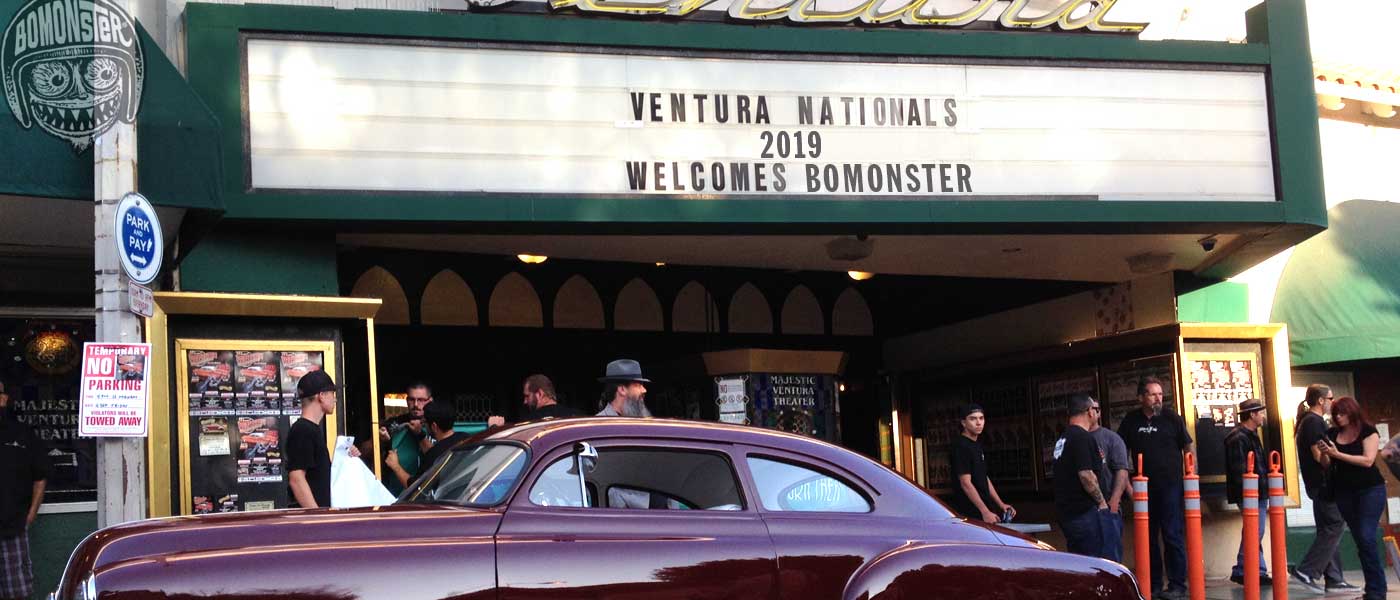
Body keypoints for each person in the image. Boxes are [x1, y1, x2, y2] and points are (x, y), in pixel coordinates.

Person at [1116, 377, 1192, 600]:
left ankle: (1177, 585)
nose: (1158, 398)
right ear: (1141, 397)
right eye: (1152, 394)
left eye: (1160, 394)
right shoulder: (1131, 420)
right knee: (1147, 538)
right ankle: (1154, 584)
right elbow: (1120, 452)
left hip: (1170, 486)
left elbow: (1187, 446)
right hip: (1142, 489)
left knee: (1172, 535)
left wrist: (1190, 474)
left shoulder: (1172, 418)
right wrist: (1127, 484)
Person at [1317, 397, 1387, 600]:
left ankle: (1377, 591)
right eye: (1335, 413)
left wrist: (1336, 454)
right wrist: (1325, 453)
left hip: (1370, 490)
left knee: (1366, 536)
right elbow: (1327, 464)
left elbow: (1368, 461)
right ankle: (1372, 590)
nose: (1338, 417)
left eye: (1342, 413)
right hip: (1344, 491)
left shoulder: (1368, 431)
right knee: (1361, 541)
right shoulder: (1332, 433)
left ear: (1352, 411)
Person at [1290, 384, 1356, 594]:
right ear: (1320, 401)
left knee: (1329, 529)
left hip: (1318, 485)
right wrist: (1339, 459)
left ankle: (1334, 578)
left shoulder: (1309, 422)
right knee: (1334, 526)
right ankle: (1307, 570)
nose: (1332, 402)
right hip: (1324, 484)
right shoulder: (1314, 423)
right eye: (1330, 398)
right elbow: (1320, 456)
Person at [0, 381, 48, 600]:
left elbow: (40, 476)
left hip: (13, 529)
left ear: (4, 398)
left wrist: (30, 515)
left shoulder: (22, 433)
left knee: (17, 593)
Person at [286, 370, 356, 508]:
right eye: (332, 394)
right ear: (322, 396)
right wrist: (317, 517)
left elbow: (318, 477)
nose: (335, 399)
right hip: (313, 524)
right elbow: (296, 479)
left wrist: (345, 458)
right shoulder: (303, 430)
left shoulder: (311, 429)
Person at [1054, 394, 1108, 557]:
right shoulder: (1082, 437)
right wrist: (1101, 502)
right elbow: (1086, 475)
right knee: (1093, 564)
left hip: (1067, 514)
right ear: (1089, 411)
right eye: (1095, 409)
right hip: (1083, 514)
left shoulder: (1063, 438)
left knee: (1079, 563)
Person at [1225, 399, 1270, 585]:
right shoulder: (1238, 437)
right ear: (1252, 415)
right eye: (1260, 412)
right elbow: (1240, 471)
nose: (1263, 416)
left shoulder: (1251, 434)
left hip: (1258, 492)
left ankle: (1257, 570)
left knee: (1254, 531)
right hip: (1251, 494)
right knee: (1255, 531)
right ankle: (1243, 568)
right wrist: (1250, 492)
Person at [949, 404, 1015, 524]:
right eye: (973, 418)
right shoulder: (961, 446)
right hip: (970, 513)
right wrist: (984, 511)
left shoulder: (976, 445)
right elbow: (965, 483)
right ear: (963, 423)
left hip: (984, 509)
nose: (978, 422)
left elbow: (983, 477)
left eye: (981, 418)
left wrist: (1000, 504)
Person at [1088, 398, 1129, 562]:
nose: (1092, 412)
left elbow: (1122, 471)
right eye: (1089, 409)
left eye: (1095, 409)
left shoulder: (1111, 438)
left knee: (1111, 559)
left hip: (1107, 507)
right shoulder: (1075, 437)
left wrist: (1114, 501)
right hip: (1083, 511)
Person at [380, 382, 434, 495]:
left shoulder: (436, 424)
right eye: (411, 399)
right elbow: (365, 450)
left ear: (430, 400)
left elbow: (439, 455)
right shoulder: (394, 423)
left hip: (431, 493)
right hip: (397, 494)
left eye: (421, 400)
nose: (415, 404)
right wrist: (380, 440)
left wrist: (419, 434)